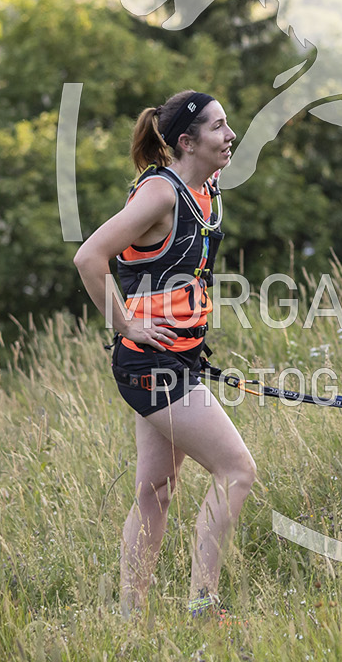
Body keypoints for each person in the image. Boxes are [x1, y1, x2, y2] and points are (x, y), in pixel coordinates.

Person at [74, 89, 257, 619]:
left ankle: (130, 618)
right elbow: (89, 257)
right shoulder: (160, 194)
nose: (231, 134)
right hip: (149, 363)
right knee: (236, 470)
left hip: (176, 358)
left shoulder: (206, 187)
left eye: (228, 123)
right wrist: (125, 323)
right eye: (218, 126)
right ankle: (203, 605)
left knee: (156, 490)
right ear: (186, 142)